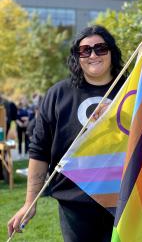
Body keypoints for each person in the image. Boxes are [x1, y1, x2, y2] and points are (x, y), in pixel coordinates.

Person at [7, 25, 126, 242]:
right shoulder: (57, 95)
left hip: (126, 202)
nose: (93, 55)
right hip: (76, 206)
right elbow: (39, 150)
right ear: (77, 57)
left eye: (101, 48)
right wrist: (29, 202)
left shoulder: (132, 91)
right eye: (85, 50)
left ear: (111, 52)